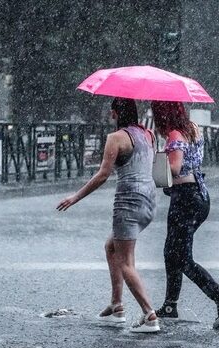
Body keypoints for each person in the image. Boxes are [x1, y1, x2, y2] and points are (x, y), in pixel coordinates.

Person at [57, 97, 160, 333]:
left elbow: (103, 175)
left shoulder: (115, 138)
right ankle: (116, 306)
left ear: (115, 113)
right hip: (148, 202)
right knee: (111, 247)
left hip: (128, 203)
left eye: (111, 112)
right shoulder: (149, 135)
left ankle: (149, 315)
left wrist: (75, 197)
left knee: (126, 262)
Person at [151, 100, 219, 329]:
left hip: (185, 199)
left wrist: (157, 162)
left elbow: (175, 168)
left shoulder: (175, 135)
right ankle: (170, 305)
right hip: (199, 196)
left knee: (182, 257)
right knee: (172, 251)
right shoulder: (193, 128)